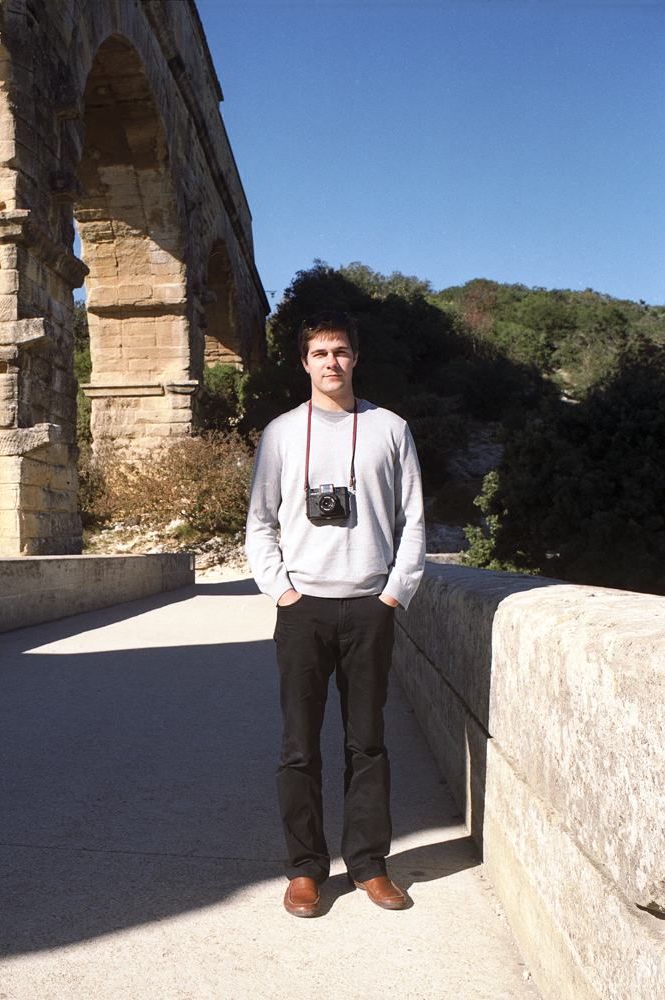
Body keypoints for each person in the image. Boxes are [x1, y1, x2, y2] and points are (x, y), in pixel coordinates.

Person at [245, 311, 425, 917]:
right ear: (304, 362)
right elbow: (260, 521)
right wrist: (281, 591)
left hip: (371, 605)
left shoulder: (390, 429)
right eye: (319, 353)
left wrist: (394, 593)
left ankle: (370, 865)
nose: (331, 362)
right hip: (304, 610)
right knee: (299, 746)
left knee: (367, 743)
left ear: (355, 357)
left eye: (340, 351)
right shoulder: (280, 433)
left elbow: (413, 519)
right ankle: (305, 869)